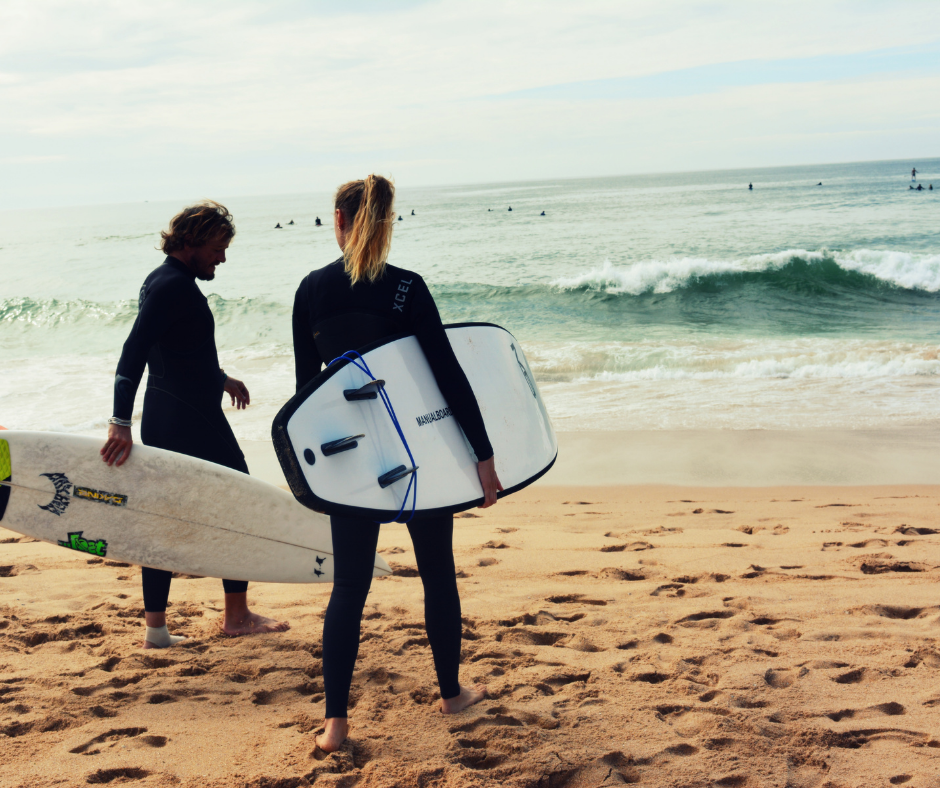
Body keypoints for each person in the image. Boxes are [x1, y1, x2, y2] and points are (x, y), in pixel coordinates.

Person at [291, 175, 502, 752]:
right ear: (386, 223)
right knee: (437, 572)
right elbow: (446, 378)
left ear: (337, 220)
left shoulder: (310, 291)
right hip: (419, 456)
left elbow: (306, 396)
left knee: (350, 588)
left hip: (351, 462)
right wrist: (483, 457)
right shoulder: (408, 289)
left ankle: (335, 725)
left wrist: (315, 475)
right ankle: (452, 694)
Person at [101, 202, 289, 649]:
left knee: (163, 519)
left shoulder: (162, 279)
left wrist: (221, 379)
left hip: (174, 416)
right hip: (191, 422)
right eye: (217, 248)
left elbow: (177, 353)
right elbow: (134, 352)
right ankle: (237, 617)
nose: (222, 258)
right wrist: (119, 421)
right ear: (191, 241)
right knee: (239, 502)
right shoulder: (174, 287)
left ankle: (157, 631)